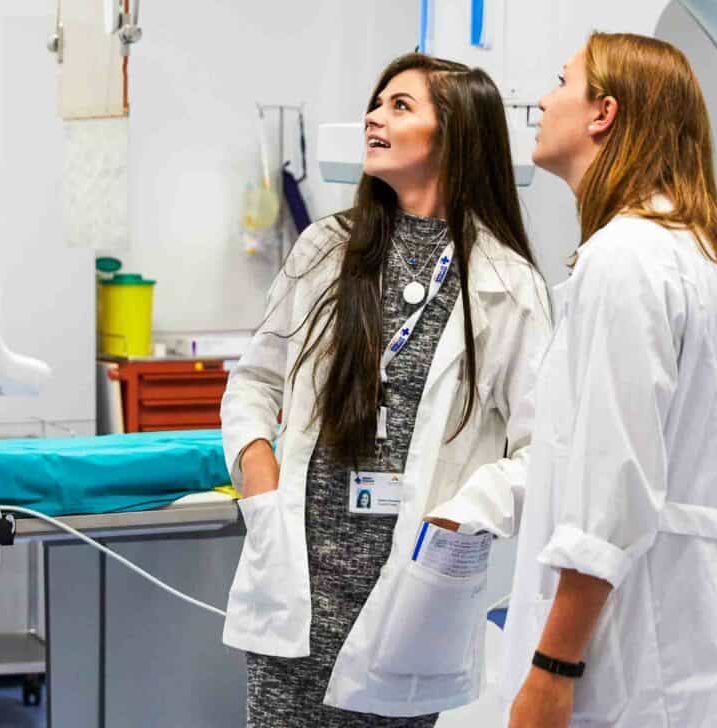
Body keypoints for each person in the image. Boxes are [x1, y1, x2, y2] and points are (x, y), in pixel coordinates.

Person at [218, 53, 552, 725]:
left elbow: (546, 448)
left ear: (455, 135)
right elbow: (253, 378)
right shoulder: (324, 250)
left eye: (401, 106)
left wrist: (461, 515)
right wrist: (257, 470)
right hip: (297, 589)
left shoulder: (506, 284)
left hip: (408, 599)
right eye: (379, 103)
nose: (374, 116)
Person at [496, 32, 717, 727]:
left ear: (603, 113)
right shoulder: (700, 255)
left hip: (636, 649)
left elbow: (612, 489)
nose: (541, 100)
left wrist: (552, 668)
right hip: (700, 634)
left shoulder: (625, 256)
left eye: (561, 82)